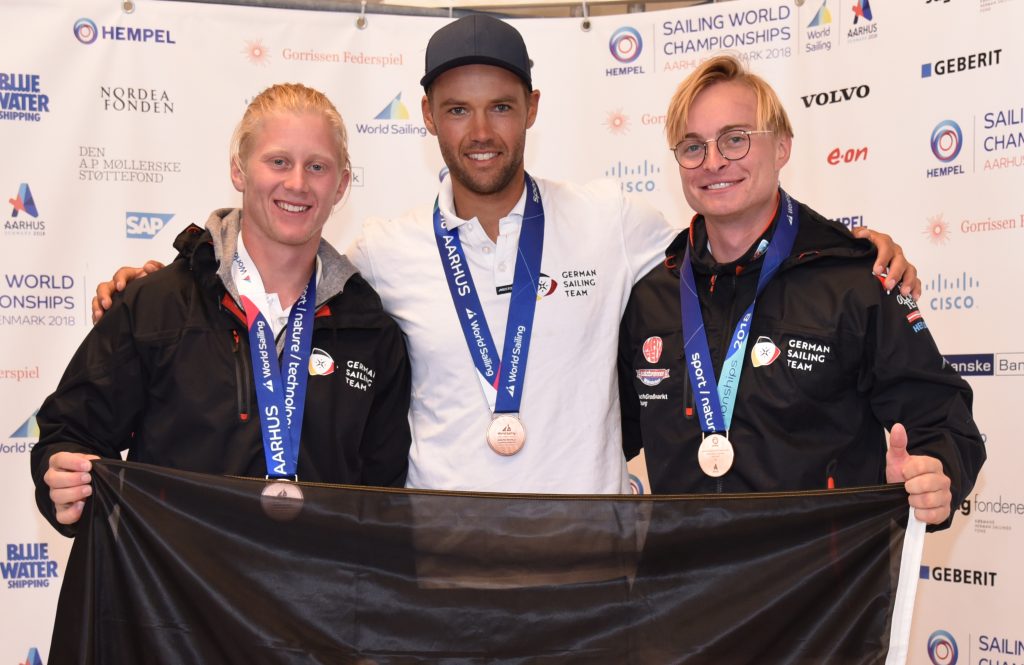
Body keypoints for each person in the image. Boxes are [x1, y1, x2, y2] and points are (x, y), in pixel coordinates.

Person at [90, 16, 918, 495]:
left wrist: (856, 250)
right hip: (440, 583)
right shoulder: (382, 252)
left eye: (499, 107)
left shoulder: (613, 221)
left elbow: (730, 248)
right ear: (426, 117)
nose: (479, 132)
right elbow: (277, 279)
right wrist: (162, 284)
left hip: (587, 578)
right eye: (457, 110)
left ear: (532, 108)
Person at [618, 55, 984, 527]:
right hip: (684, 591)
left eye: (735, 139)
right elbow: (605, 432)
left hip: (826, 593)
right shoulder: (652, 291)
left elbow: (943, 421)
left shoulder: (856, 277)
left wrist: (936, 472)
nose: (713, 162)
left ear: (782, 148)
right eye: (692, 147)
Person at [32, 83, 412, 536]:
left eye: (317, 166)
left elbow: (382, 501)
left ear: (342, 184)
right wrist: (62, 478)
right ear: (239, 171)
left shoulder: (369, 330)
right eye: (278, 161)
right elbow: (71, 434)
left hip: (311, 601)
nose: (297, 183)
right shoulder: (156, 304)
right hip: (175, 598)